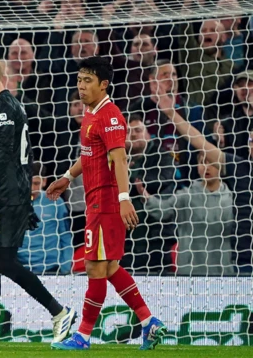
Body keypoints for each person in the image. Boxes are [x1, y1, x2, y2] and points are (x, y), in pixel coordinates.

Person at [47, 56, 167, 351]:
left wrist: (124, 199)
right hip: (95, 200)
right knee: (110, 266)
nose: (81, 86)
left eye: (88, 81)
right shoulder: (90, 112)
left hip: (106, 202)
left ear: (104, 85)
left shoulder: (110, 116)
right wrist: (67, 176)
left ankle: (83, 336)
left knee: (94, 267)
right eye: (79, 80)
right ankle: (148, 321)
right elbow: (90, 154)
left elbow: (119, 158)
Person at [0, 53, 76, 344]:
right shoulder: (5, 105)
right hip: (4, 195)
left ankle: (59, 311)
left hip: (9, 195)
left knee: (4, 262)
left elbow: (3, 156)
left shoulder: (3, 107)